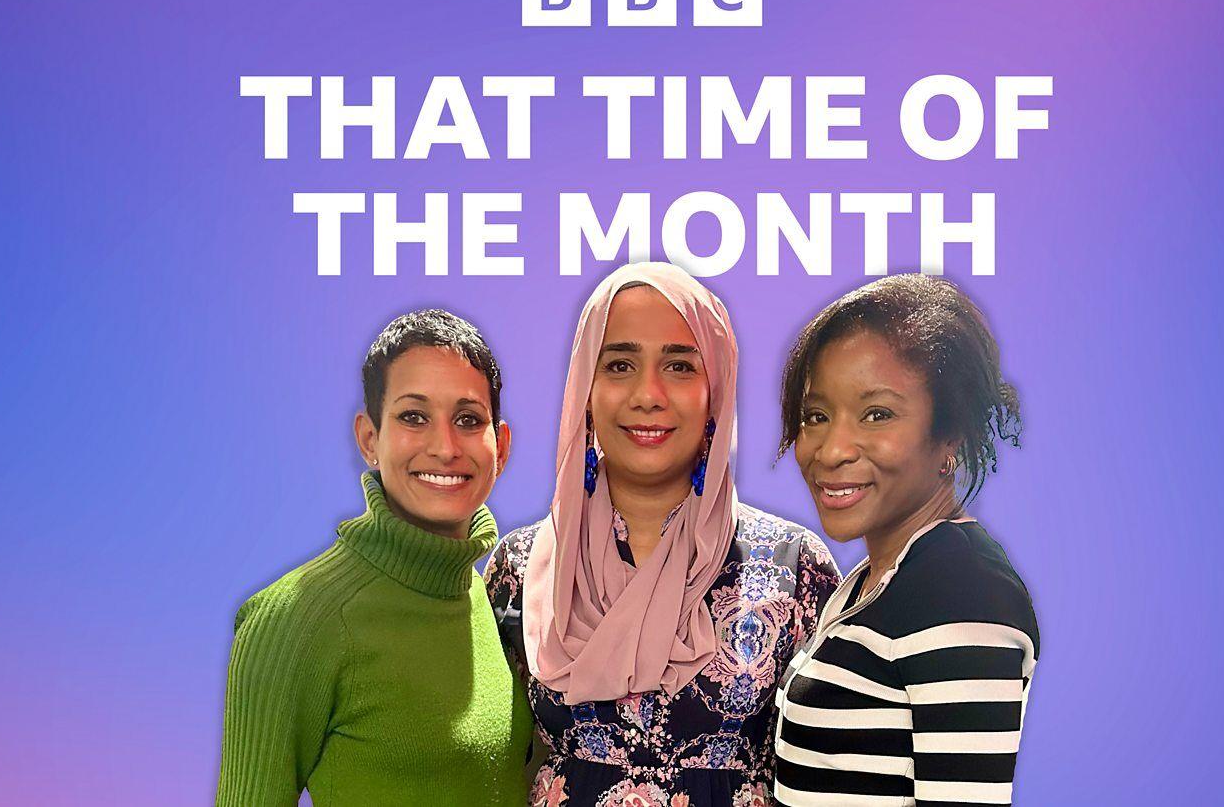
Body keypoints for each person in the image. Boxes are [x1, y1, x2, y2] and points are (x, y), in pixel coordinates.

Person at [485, 263, 840, 807]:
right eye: (619, 365)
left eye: (678, 366)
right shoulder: (522, 566)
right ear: (585, 389)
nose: (648, 394)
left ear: (715, 390)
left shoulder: (793, 569)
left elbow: (830, 773)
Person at [216, 310, 530, 806]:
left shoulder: (490, 595)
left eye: (468, 420)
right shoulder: (292, 619)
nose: (445, 447)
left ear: (502, 446)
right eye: (413, 417)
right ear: (369, 439)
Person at [772, 274, 1040, 807]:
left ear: (950, 434)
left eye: (877, 415)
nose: (832, 450)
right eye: (816, 416)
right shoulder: (880, 577)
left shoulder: (962, 595)